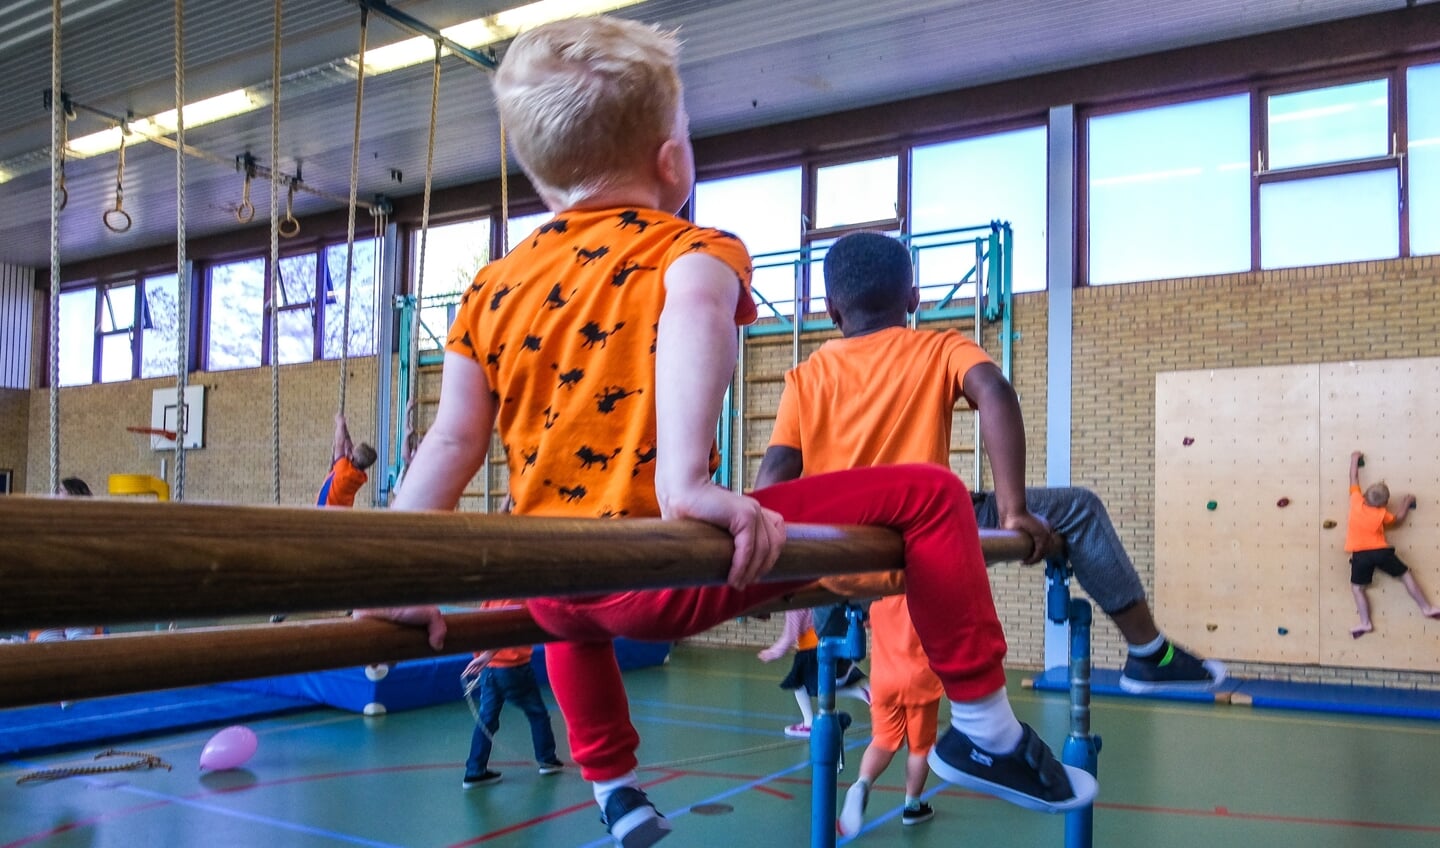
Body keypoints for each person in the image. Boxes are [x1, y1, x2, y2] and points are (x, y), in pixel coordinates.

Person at [373, 17, 1094, 848]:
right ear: (673, 164)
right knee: (930, 496)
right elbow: (697, 313)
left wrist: (398, 565)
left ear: (540, 179)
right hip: (660, 571)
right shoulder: (692, 249)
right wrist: (685, 483)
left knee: (565, 619)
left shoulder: (490, 288)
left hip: (553, 580)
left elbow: (452, 442)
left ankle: (614, 789)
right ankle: (985, 727)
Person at [759, 231, 1225, 698]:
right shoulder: (938, 348)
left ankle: (838, 653)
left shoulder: (807, 376)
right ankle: (1149, 652)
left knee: (818, 546)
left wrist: (756, 568)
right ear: (914, 298)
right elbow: (995, 391)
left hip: (843, 555)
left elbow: (777, 469)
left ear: (831, 309)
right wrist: (1014, 509)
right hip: (920, 536)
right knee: (1079, 508)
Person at [836, 593, 942, 835]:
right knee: (920, 747)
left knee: (882, 740)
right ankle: (913, 806)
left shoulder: (877, 596)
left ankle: (862, 783)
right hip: (920, 681)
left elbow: (864, 621)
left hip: (884, 681)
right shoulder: (928, 596)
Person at [461, 599, 565, 788]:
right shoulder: (515, 598)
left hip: (490, 670)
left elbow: (480, 628)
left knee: (487, 719)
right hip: (512, 668)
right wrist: (486, 656)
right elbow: (505, 630)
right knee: (537, 713)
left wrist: (482, 659)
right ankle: (547, 760)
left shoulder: (490, 600)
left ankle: (475, 770)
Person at [1345, 451, 1439, 638]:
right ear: (1385, 504)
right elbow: (1398, 519)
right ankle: (1426, 608)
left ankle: (1365, 623)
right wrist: (1406, 502)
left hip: (1361, 556)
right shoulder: (1382, 514)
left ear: (1364, 495)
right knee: (1405, 575)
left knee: (1357, 588)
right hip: (1381, 552)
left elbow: (1353, 476)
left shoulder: (1356, 501)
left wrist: (1355, 458)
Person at [757, 607, 869, 738]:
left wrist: (773, 652)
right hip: (835, 644)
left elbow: (790, 634)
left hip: (813, 649)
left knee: (800, 684)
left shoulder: (796, 605)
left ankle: (809, 723)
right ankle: (861, 692)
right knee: (818, 685)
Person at [317, 412, 377, 507]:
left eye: (353, 450)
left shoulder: (344, 470)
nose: (351, 447)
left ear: (351, 457)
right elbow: (348, 445)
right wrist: (344, 428)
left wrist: (339, 423)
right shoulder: (360, 476)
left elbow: (339, 443)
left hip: (325, 510)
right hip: (340, 512)